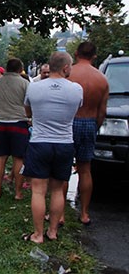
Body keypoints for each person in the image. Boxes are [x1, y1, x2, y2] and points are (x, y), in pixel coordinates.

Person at [21, 51, 83, 244]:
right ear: (66, 68)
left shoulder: (34, 88)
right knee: (57, 190)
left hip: (40, 142)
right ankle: (53, 231)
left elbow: (28, 110)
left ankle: (38, 234)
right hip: (64, 143)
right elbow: (77, 109)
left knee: (38, 191)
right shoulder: (76, 89)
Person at [67, 41, 109, 226]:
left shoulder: (68, 74)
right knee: (85, 169)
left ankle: (59, 215)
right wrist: (95, 126)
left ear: (76, 53)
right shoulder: (101, 79)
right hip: (89, 122)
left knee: (62, 169)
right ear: (94, 56)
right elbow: (102, 112)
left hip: (69, 122)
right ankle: (84, 213)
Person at [0, 58, 30, 200]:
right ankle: (18, 193)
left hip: (0, 124)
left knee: (0, 158)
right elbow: (31, 103)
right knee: (18, 159)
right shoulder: (25, 83)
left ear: (7, 68)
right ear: (20, 69)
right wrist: (30, 117)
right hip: (19, 124)